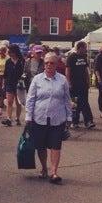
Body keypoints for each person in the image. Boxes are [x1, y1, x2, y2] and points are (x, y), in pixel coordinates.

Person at [25, 52, 73, 184]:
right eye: (46, 63)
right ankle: (44, 168)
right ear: (44, 64)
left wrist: (69, 116)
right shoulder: (37, 79)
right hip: (39, 117)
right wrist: (28, 116)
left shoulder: (62, 80)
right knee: (41, 146)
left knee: (56, 145)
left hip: (58, 118)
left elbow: (67, 99)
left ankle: (54, 172)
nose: (49, 65)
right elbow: (30, 99)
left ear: (56, 64)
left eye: (52, 63)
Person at [66, 41, 95, 129]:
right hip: (74, 84)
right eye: (85, 47)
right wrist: (68, 82)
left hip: (83, 84)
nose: (86, 49)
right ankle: (74, 121)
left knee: (84, 102)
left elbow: (86, 70)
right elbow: (68, 70)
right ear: (80, 48)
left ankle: (88, 121)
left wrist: (88, 81)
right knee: (75, 103)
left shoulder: (84, 57)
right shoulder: (71, 57)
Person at [1, 44, 25, 126]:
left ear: (15, 52)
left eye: (11, 52)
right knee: (9, 102)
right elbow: (5, 74)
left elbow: (24, 73)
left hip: (19, 85)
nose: (9, 53)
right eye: (9, 52)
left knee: (18, 103)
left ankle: (17, 118)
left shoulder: (22, 61)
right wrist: (4, 84)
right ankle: (8, 119)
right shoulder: (8, 61)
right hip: (9, 84)